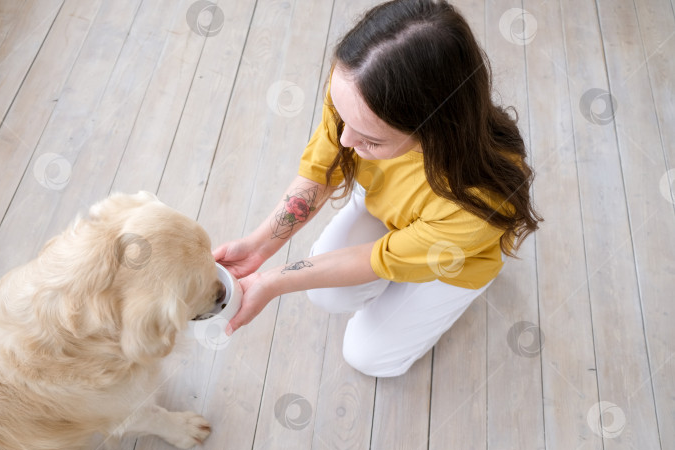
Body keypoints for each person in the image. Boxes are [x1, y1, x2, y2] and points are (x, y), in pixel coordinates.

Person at [213, 0, 542, 378]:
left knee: (367, 356)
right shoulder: (356, 88)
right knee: (324, 293)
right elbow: (320, 171)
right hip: (392, 214)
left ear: (432, 129)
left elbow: (379, 258)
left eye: (370, 140)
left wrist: (270, 283)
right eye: (342, 117)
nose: (346, 140)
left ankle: (461, 292)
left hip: (452, 260)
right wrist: (257, 247)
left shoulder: (476, 202)